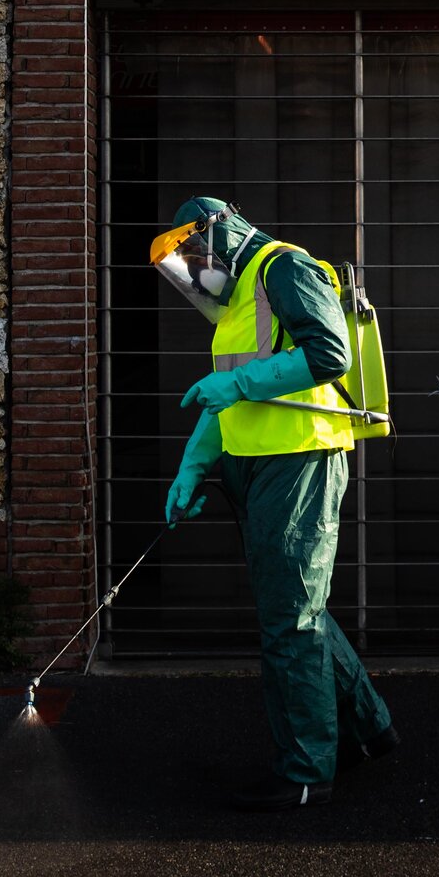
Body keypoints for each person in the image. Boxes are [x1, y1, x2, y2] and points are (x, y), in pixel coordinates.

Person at [152, 196, 397, 810]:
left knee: (291, 620)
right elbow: (223, 402)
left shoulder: (283, 268)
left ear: (221, 232)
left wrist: (233, 382)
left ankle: (307, 774)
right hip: (255, 468)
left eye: (194, 255)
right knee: (296, 608)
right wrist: (192, 468)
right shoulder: (237, 303)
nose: (195, 271)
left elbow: (329, 354)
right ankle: (371, 730)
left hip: (299, 462)